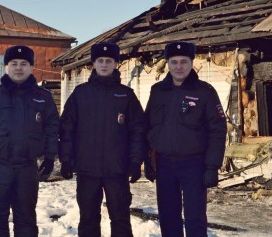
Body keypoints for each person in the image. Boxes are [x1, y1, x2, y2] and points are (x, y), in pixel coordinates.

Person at [59, 42, 146, 237]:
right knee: (88, 218)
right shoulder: (81, 94)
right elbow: (67, 128)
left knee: (121, 218)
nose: (104, 64)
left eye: (109, 61)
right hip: (87, 169)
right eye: (100, 61)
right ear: (94, 64)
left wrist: (134, 162)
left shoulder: (126, 95)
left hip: (117, 170)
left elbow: (138, 131)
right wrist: (66, 159)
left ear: (116, 64)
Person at [0, 45, 59, 237]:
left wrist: (50, 157)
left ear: (31, 67)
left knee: (26, 218)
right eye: (14, 64)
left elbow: (52, 128)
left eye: (24, 64)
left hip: (27, 168)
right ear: (7, 67)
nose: (19, 68)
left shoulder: (42, 97)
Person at [144, 41, 227, 237]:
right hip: (164, 164)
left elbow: (217, 130)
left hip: (194, 165)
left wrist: (212, 166)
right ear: (167, 64)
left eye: (184, 62)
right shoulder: (158, 92)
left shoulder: (205, 92)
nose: (179, 67)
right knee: (168, 216)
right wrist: (147, 159)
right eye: (174, 62)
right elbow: (147, 126)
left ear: (192, 63)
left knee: (195, 218)